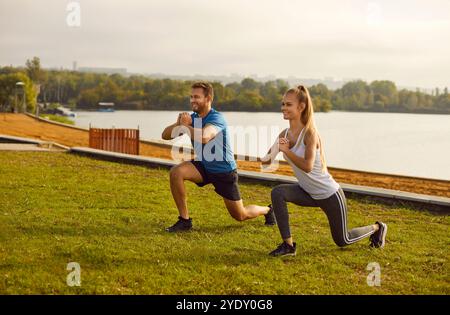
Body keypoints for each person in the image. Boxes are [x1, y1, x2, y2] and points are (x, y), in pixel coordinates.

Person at [261, 85, 387, 257]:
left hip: (329, 194)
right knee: (278, 193)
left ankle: (377, 228)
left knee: (343, 240)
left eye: (288, 104)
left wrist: (286, 151)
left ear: (301, 107)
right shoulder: (285, 133)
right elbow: (266, 162)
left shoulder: (310, 134)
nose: (283, 108)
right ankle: (288, 246)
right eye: (283, 104)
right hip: (307, 192)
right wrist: (272, 149)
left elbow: (308, 166)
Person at [162, 81, 276, 232]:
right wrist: (178, 124)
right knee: (176, 172)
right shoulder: (192, 118)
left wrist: (185, 126)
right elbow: (165, 135)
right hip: (203, 165)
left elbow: (204, 137)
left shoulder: (216, 118)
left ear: (208, 98)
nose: (192, 100)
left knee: (240, 215)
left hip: (223, 171)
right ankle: (184, 221)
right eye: (191, 97)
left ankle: (267, 210)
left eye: (197, 97)